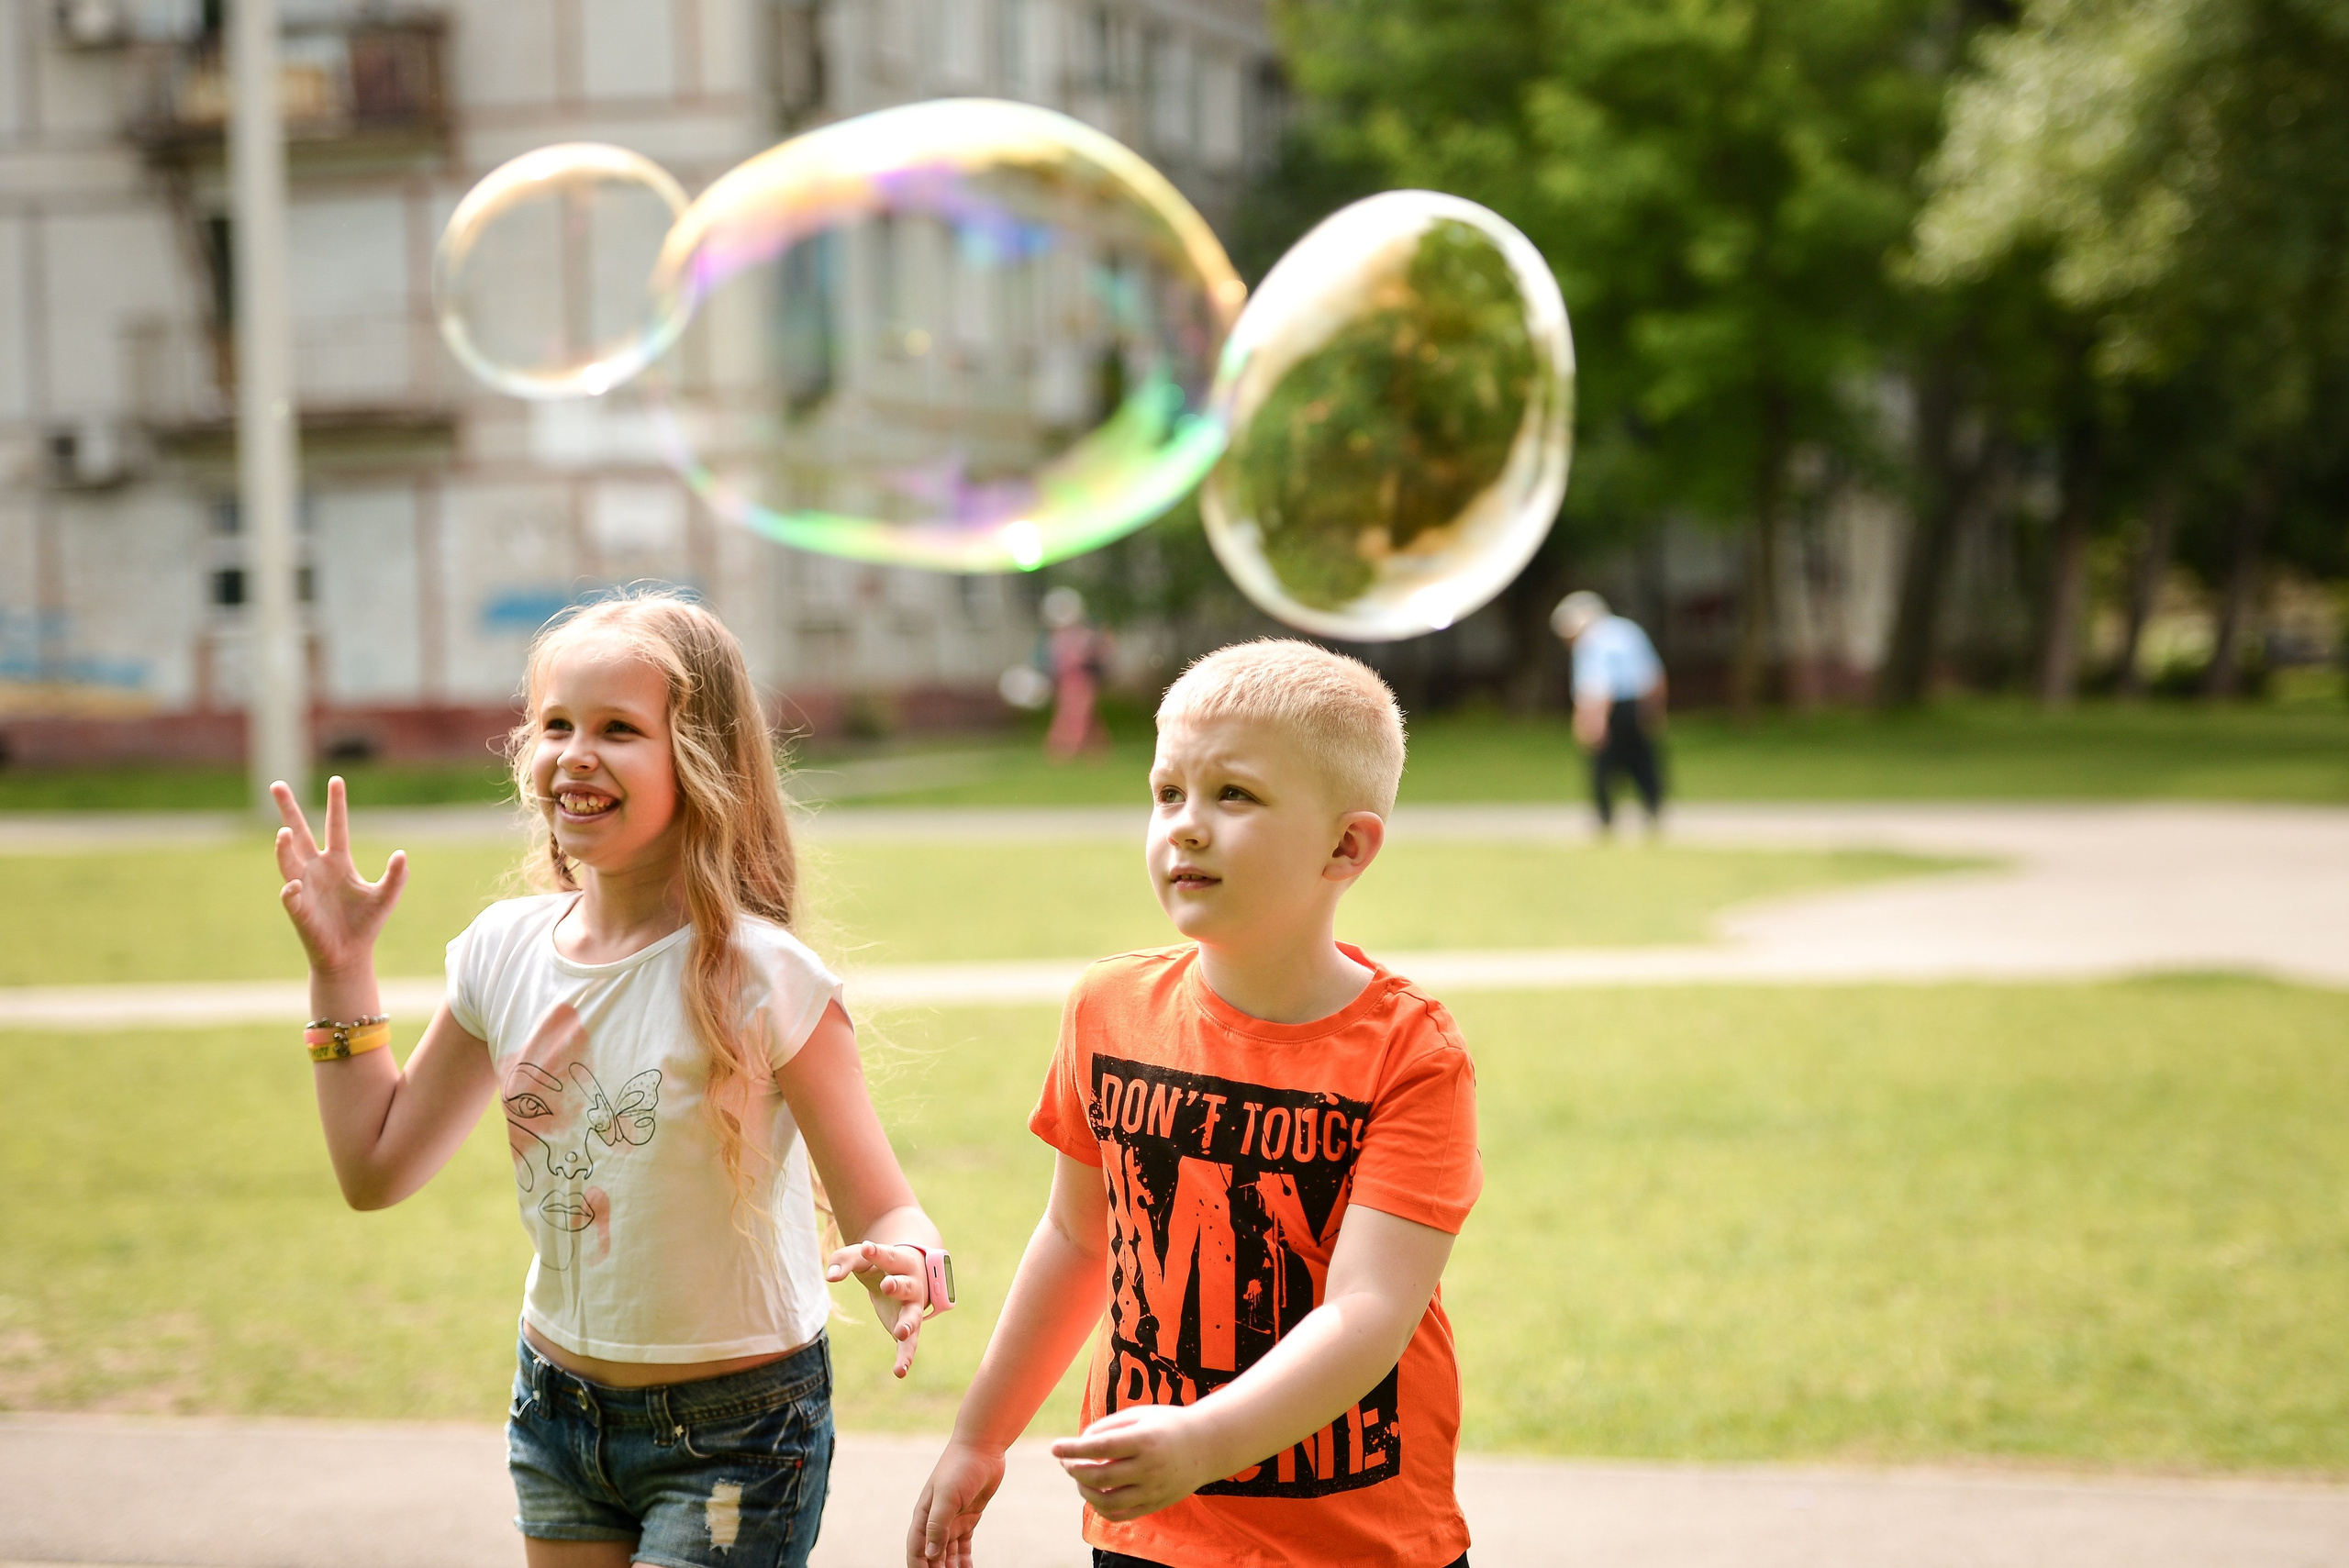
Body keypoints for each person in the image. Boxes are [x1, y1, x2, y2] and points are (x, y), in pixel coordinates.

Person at [270, 590, 949, 1568]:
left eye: (618, 729)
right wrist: (341, 969)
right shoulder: (502, 950)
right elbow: (374, 1168)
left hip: (736, 1437)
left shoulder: (765, 979)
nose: (574, 753)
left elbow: (886, 1207)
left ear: (702, 761)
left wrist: (913, 1264)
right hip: (557, 1411)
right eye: (555, 724)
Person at [908, 639, 1483, 1568]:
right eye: (1167, 791)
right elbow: (1076, 1239)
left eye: (1234, 794)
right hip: (1152, 1530)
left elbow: (1371, 1307)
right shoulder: (1108, 1007)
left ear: (1346, 844)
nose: (1185, 824)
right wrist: (979, 1436)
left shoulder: (1410, 1052)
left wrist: (1204, 1440)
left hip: (1357, 1544)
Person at [1551, 590, 1667, 833]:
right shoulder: (1629, 630)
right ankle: (1653, 810)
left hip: (1608, 709)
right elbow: (1654, 675)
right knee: (1642, 760)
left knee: (1602, 766)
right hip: (1637, 705)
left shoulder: (1590, 640)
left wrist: (1592, 722)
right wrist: (1655, 710)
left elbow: (1596, 686)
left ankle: (1605, 818)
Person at [1042, 584, 1112, 760]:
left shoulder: (1084, 633)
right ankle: (1082, 749)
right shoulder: (1058, 636)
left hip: (1083, 679)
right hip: (1068, 680)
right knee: (1077, 714)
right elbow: (1057, 661)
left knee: (1080, 714)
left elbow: (1100, 650)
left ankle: (1068, 749)